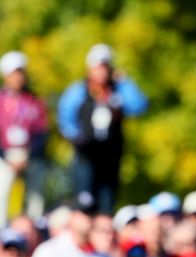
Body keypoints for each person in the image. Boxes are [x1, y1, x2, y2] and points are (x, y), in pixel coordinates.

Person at [57, 44, 148, 214]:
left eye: (105, 67)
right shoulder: (79, 91)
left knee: (107, 203)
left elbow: (139, 105)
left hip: (111, 156)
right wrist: (77, 138)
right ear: (90, 68)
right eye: (98, 67)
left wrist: (124, 82)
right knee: (84, 203)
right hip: (86, 157)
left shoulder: (118, 90)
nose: (102, 72)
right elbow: (65, 117)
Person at [0, 52, 49, 229]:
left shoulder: (34, 101)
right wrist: (6, 157)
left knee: (35, 199)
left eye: (20, 72)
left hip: (29, 155)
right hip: (3, 154)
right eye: (13, 73)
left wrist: (29, 156)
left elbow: (42, 132)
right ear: (4, 75)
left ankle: (34, 230)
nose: (18, 77)